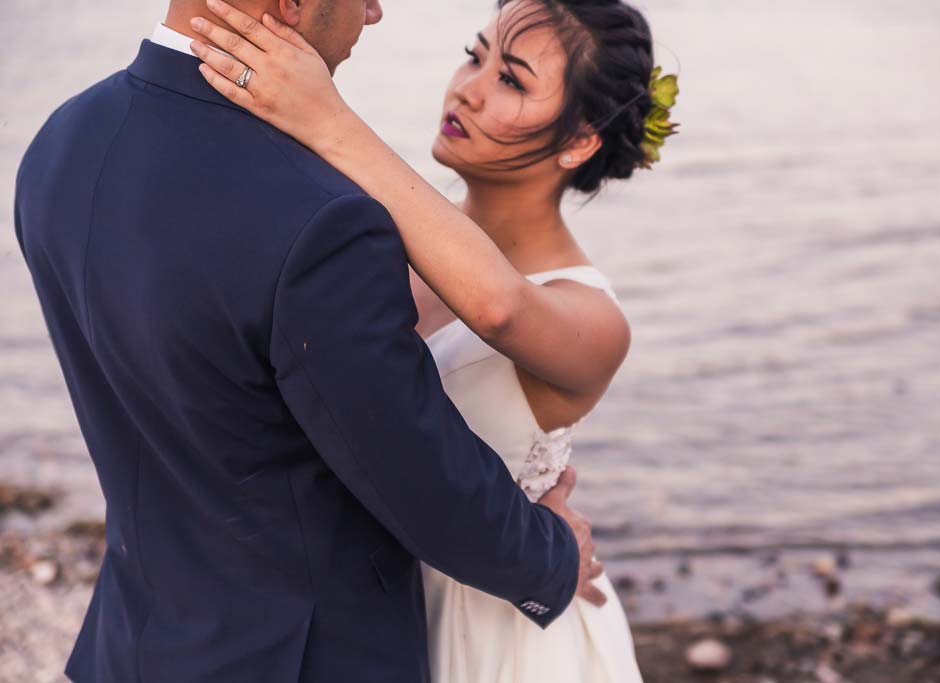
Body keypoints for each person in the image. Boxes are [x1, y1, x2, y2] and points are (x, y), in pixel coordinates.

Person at [12, 0, 611, 680]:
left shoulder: (61, 145)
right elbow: (419, 475)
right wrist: (554, 556)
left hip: (133, 642)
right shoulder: (320, 220)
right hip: (298, 657)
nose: (376, 13)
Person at [187, 0, 679, 680]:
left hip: (505, 633)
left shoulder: (591, 317)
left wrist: (325, 117)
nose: (467, 88)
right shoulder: (366, 239)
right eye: (474, 55)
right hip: (357, 616)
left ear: (580, 140)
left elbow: (499, 308)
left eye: (511, 79)